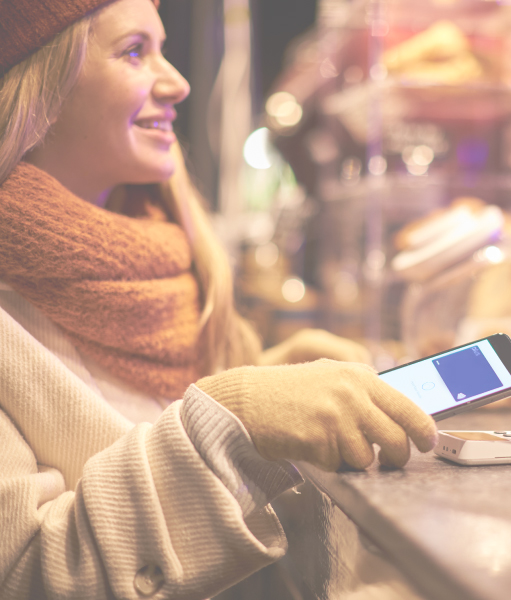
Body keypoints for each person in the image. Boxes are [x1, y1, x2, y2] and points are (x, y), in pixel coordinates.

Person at [0, 0, 437, 597]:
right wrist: (236, 419)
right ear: (38, 84)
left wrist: (269, 383)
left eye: (163, 46)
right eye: (134, 51)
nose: (176, 82)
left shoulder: (173, 262)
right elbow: (27, 574)